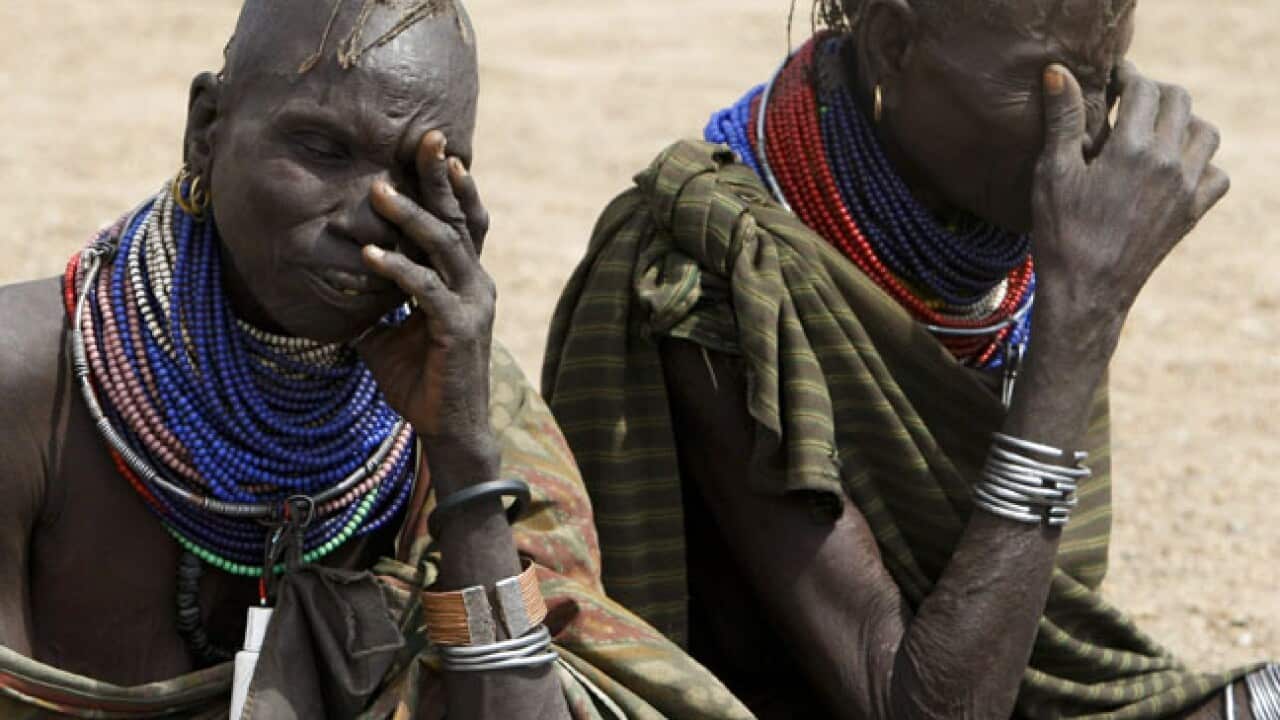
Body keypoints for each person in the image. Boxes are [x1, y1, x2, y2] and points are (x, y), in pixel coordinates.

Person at [0, 1, 753, 718]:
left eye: (420, 175)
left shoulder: (466, 407)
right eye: (322, 150)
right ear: (205, 128)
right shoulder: (34, 389)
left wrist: (460, 462)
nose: (371, 213)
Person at [543, 0, 1276, 718]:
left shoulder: (1020, 255)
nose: (1089, 130)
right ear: (895, 41)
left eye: (1106, 79)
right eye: (1049, 81)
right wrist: (1078, 325)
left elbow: (1042, 666)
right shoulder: (718, 279)